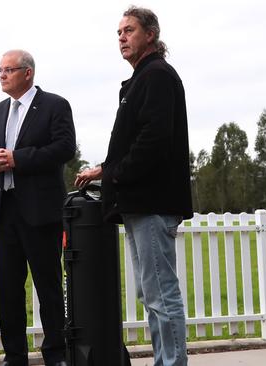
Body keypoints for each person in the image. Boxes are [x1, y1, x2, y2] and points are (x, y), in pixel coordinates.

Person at [75, 6, 192, 366]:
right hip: (139, 203)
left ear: (150, 34)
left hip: (152, 202)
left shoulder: (156, 75)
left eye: (129, 30)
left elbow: (153, 140)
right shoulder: (142, 78)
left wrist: (114, 174)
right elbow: (137, 141)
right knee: (151, 292)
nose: (122, 37)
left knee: (161, 294)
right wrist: (104, 169)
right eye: (119, 32)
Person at [0, 49, 75, 366]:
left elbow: (64, 148)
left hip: (41, 211)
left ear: (28, 72)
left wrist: (19, 159)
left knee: (47, 286)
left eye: (8, 69)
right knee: (7, 289)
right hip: (4, 211)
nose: (3, 75)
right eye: (0, 71)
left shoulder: (54, 105)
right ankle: (15, 355)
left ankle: (56, 354)